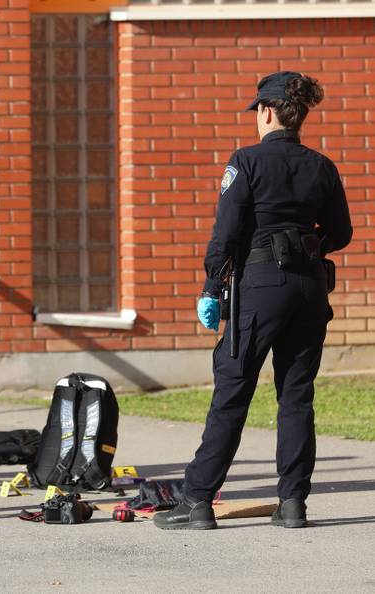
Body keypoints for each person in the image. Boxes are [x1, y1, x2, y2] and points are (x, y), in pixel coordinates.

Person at [154, 72, 352, 530]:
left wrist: (210, 286)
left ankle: (197, 500)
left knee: (232, 392)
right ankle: (293, 503)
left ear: (266, 111)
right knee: (297, 396)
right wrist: (306, 246)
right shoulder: (322, 166)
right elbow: (341, 232)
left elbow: (225, 233)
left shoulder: (245, 161)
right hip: (309, 288)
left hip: (259, 287)